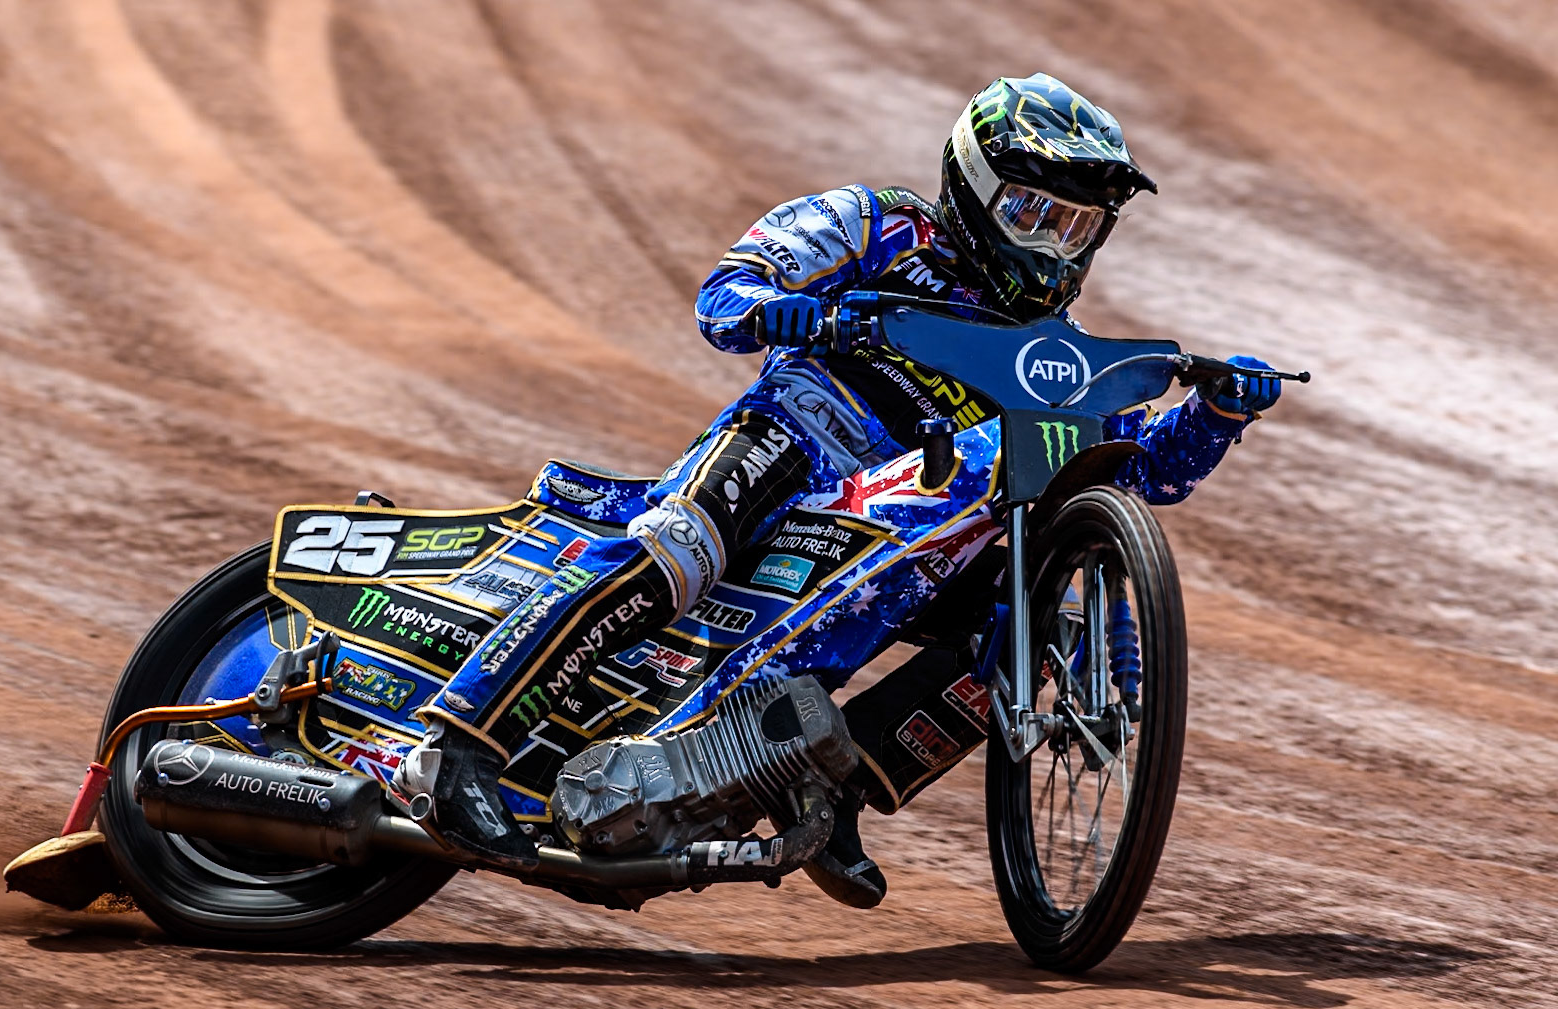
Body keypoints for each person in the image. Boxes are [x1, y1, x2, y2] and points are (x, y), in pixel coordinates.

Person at [403, 73, 1282, 905]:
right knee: (677, 547)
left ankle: (832, 784)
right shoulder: (879, 224)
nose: (1051, 244)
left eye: (1076, 226)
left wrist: (1215, 414)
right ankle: (455, 743)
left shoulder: (1055, 348)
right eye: (1031, 213)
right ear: (974, 187)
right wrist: (776, 308)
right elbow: (728, 290)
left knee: (1030, 621)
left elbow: (1136, 470)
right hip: (793, 441)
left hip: (910, 523)